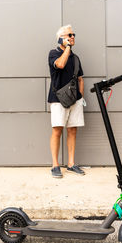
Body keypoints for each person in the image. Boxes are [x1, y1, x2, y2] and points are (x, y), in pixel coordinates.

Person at [48, 25, 85, 178]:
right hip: (58, 99)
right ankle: (55, 165)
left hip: (74, 100)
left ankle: (71, 164)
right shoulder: (53, 53)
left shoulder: (76, 58)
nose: (72, 37)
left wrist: (79, 97)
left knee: (72, 130)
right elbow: (60, 65)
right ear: (61, 38)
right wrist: (67, 48)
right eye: (69, 35)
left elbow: (80, 79)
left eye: (73, 35)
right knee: (57, 130)